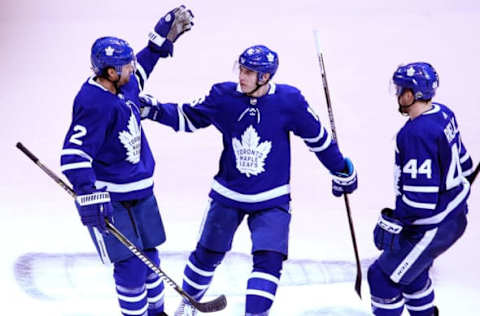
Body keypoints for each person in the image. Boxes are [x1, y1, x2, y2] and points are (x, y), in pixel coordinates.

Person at [139, 45, 358, 315]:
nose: (242, 76)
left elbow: (319, 139)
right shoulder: (223, 96)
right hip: (228, 194)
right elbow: (190, 116)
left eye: (249, 72)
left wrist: (340, 169)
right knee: (206, 255)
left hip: (272, 198)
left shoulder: (289, 101)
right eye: (241, 69)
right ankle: (188, 304)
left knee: (269, 260)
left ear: (265, 77)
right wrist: (156, 111)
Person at [60, 6, 194, 316]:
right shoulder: (93, 102)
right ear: (108, 72)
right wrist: (87, 193)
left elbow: (143, 69)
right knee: (131, 269)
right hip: (112, 199)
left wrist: (156, 45)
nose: (131, 68)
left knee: (151, 262)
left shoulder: (126, 82)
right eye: (124, 65)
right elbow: (73, 155)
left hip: (142, 192)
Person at [367, 62, 474, 316]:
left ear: (412, 93)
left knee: (381, 277)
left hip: (433, 224)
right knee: (411, 276)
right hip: (452, 217)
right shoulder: (443, 113)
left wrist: (395, 220)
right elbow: (466, 165)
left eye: (401, 89)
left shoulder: (416, 133)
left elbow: (420, 203)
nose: (397, 94)